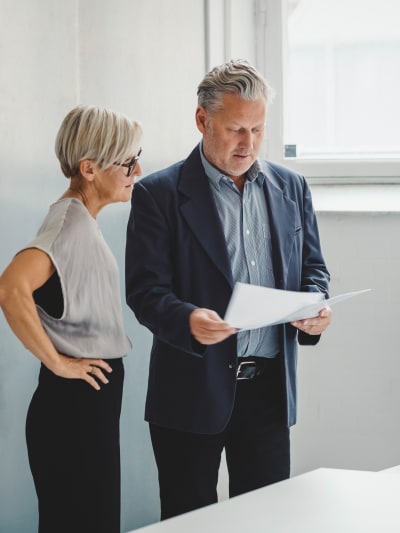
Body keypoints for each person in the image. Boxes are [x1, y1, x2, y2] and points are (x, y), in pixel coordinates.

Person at [125, 59, 331, 520]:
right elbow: (145, 290)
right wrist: (188, 320)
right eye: (236, 129)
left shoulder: (291, 187)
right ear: (202, 120)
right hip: (190, 392)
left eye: (258, 129)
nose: (249, 143)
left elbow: (314, 270)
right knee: (188, 520)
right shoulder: (158, 194)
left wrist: (316, 307)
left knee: (264, 522)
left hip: (269, 395)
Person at [0, 105, 142, 533]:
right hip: (73, 411)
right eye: (128, 161)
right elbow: (10, 288)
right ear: (90, 168)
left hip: (88, 407)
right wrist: (58, 362)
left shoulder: (81, 220)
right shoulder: (70, 224)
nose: (138, 169)